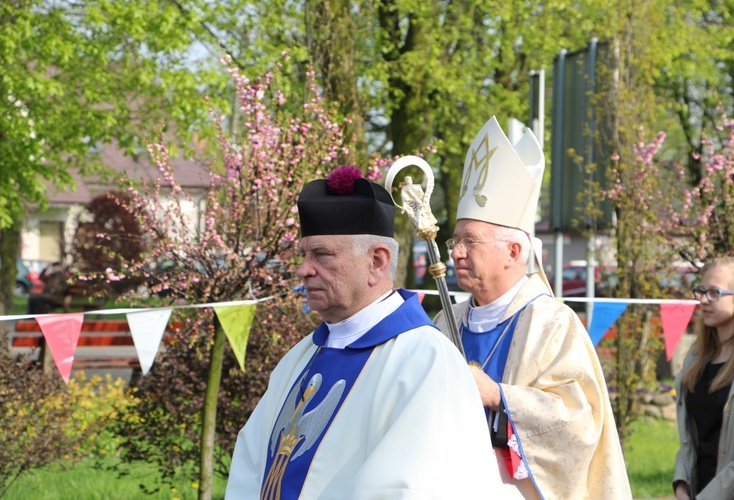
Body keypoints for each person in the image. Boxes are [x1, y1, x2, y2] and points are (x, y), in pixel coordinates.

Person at [225, 165, 506, 499]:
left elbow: (413, 488)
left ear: (376, 261)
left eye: (322, 255)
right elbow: (249, 466)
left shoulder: (425, 361)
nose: (303, 269)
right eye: (304, 254)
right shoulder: (299, 359)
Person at [434, 116, 631, 499]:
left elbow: (579, 422)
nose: (456, 252)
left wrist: (499, 396)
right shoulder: (446, 320)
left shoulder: (552, 324)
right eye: (455, 240)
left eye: (470, 241)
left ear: (513, 251)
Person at [674, 257, 734, 500]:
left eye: (714, 293)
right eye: (701, 291)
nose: (703, 299)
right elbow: (690, 439)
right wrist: (682, 484)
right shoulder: (696, 358)